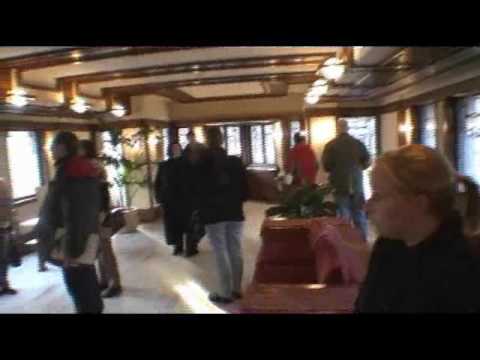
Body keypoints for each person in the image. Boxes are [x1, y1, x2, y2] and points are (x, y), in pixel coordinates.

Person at [355, 144, 480, 313]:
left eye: (378, 196)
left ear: (418, 203)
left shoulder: (460, 269)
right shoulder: (388, 246)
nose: (367, 207)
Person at [35, 131, 103, 314]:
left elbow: (73, 213)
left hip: (73, 239)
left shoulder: (70, 172)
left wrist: (71, 249)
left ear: (62, 148)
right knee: (86, 282)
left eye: (53, 146)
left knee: (80, 287)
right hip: (84, 235)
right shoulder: (79, 169)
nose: (50, 150)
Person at [197, 126, 248, 304]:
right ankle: (237, 289)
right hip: (235, 211)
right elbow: (245, 189)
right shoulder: (234, 161)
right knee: (235, 248)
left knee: (220, 251)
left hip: (213, 213)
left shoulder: (202, 163)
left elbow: (198, 191)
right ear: (222, 140)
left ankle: (225, 293)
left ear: (207, 141)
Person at [79, 139, 122, 298]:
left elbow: (99, 194)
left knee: (105, 249)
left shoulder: (92, 166)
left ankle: (114, 283)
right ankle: (104, 280)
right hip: (96, 213)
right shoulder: (93, 165)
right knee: (99, 249)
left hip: (100, 213)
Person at [322, 119, 370, 239]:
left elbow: (326, 166)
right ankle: (362, 241)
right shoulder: (358, 143)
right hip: (357, 183)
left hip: (339, 184)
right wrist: (358, 169)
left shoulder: (331, 145)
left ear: (337, 128)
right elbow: (367, 161)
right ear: (348, 128)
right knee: (359, 214)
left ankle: (346, 242)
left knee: (344, 217)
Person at [155, 142, 194, 256]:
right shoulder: (164, 165)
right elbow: (158, 183)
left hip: (186, 200)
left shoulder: (188, 163)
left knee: (188, 225)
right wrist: (160, 198)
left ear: (181, 149)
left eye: (178, 147)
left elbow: (194, 182)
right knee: (174, 225)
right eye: (173, 148)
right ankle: (178, 246)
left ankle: (190, 247)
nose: (176, 149)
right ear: (170, 150)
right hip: (170, 200)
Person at [0, 178, 17, 296]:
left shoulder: (2, 183)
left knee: (4, 258)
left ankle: (4, 284)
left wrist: (12, 224)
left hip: (4, 226)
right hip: (5, 226)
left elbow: (9, 207)